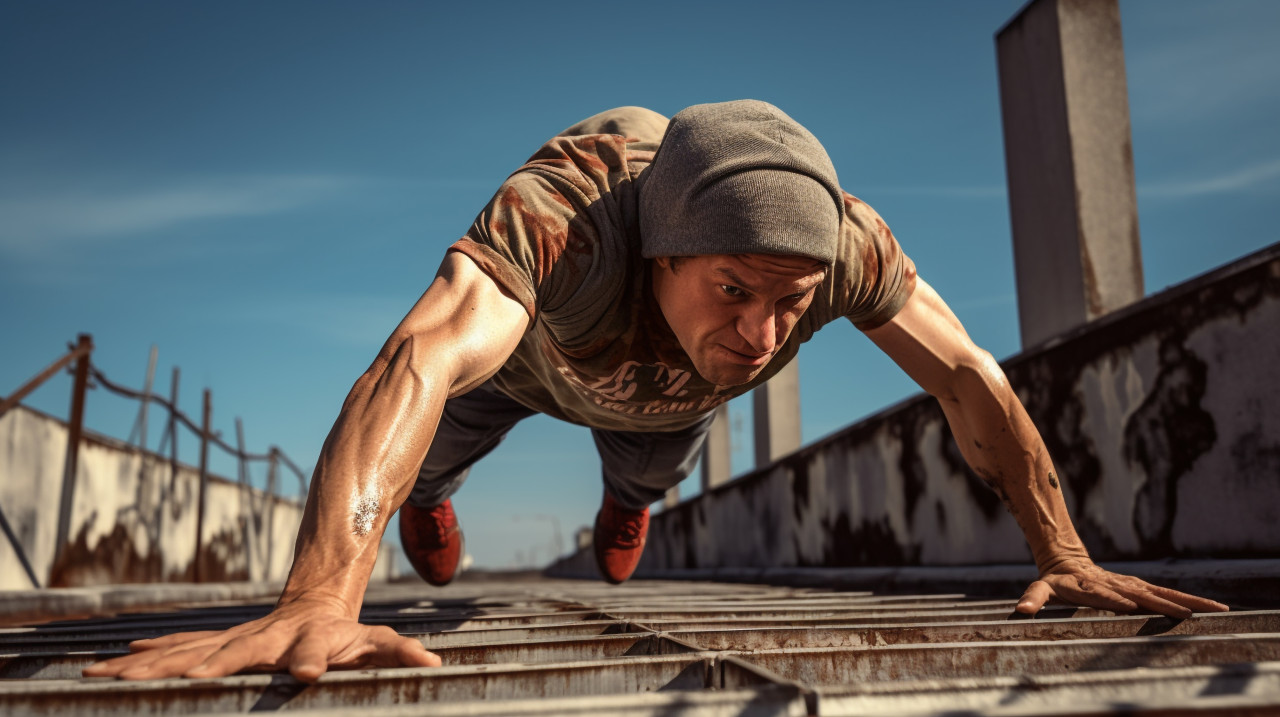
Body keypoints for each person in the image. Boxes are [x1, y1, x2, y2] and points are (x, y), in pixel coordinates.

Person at [85, 100, 1228, 683]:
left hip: (662, 412)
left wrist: (1060, 551)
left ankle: (627, 500)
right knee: (427, 458)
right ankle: (437, 500)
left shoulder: (847, 247)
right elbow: (420, 358)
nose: (761, 331)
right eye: (732, 289)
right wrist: (322, 598)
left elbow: (968, 378)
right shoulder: (568, 213)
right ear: (663, 254)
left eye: (792, 304)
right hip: (522, 370)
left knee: (643, 476)